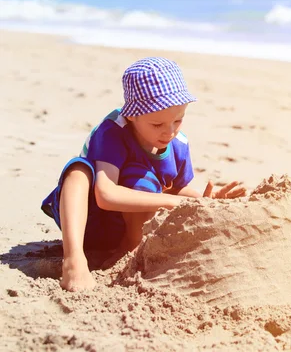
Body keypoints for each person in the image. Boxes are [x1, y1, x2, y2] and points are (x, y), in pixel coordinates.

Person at [41, 57, 246, 292]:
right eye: (157, 124)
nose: (168, 132)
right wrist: (175, 200)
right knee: (78, 169)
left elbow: (176, 188)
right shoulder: (112, 131)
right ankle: (74, 260)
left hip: (129, 230)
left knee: (149, 181)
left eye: (178, 120)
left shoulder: (178, 144)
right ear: (131, 115)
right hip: (86, 220)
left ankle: (129, 247)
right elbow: (105, 195)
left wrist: (203, 202)